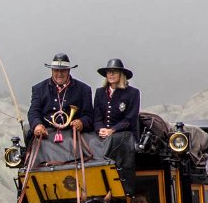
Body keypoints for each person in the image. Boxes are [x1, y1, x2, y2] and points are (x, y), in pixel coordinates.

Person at [93, 58, 140, 195]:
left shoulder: (132, 93)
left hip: (123, 133)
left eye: (114, 72)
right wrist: (100, 129)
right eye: (108, 72)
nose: (111, 75)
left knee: (118, 140)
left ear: (121, 74)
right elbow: (97, 116)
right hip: (102, 134)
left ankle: (125, 186)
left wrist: (112, 130)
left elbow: (130, 119)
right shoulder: (100, 92)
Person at [27, 53, 93, 142]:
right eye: (56, 70)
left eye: (63, 71)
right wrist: (37, 125)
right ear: (52, 70)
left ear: (69, 70)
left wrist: (81, 122)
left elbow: (89, 115)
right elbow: (34, 111)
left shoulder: (84, 89)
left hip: (74, 135)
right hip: (46, 132)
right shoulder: (39, 89)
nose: (59, 74)